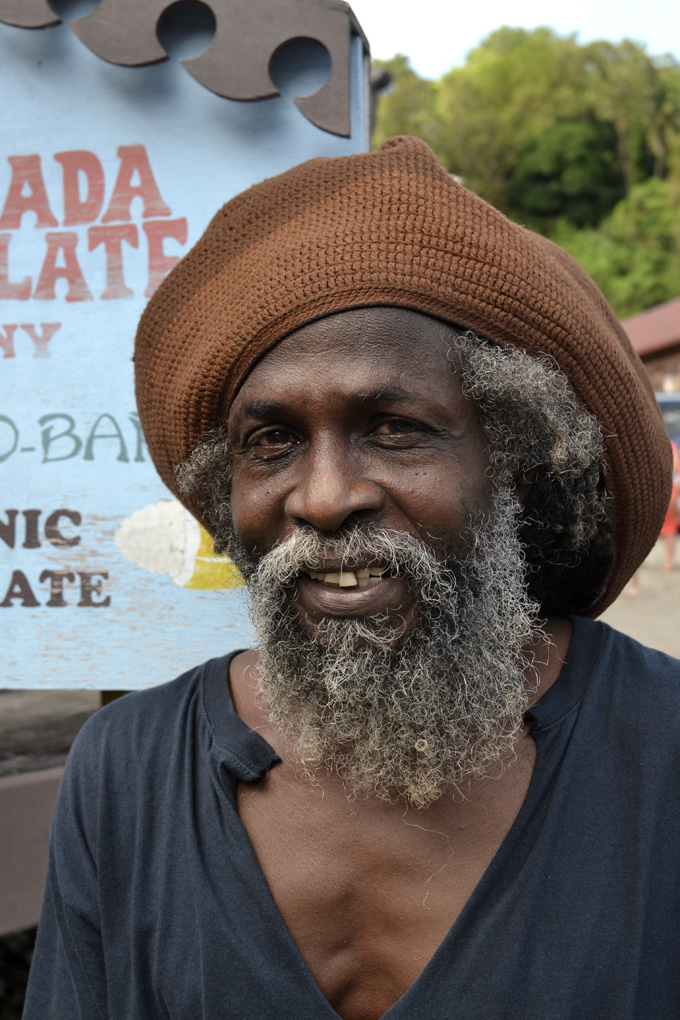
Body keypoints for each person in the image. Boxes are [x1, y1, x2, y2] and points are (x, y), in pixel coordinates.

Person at [23, 137, 680, 1020]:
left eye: (394, 427)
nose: (326, 498)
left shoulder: (662, 749)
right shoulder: (128, 769)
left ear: (515, 460)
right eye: (275, 443)